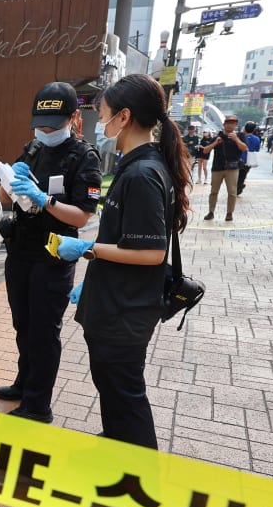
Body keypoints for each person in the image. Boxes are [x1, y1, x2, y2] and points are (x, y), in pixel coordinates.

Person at [54, 73, 191, 450]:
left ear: (125, 116)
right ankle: (117, 448)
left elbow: (151, 253)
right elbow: (127, 240)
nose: (101, 121)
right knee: (114, 392)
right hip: (115, 303)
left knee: (127, 398)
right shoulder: (137, 167)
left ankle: (139, 480)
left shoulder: (144, 173)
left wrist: (87, 250)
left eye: (104, 112)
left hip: (124, 312)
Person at [0, 82, 101, 423]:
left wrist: (46, 200)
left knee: (43, 331)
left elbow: (83, 215)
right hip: (21, 251)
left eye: (53, 124)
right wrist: (8, 182)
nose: (45, 130)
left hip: (53, 256)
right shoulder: (32, 148)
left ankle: (39, 404)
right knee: (22, 325)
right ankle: (25, 383)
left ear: (72, 118)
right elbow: (6, 197)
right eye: (40, 123)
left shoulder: (84, 157)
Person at [201, 114, 246, 222]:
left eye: (232, 123)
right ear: (224, 125)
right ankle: (211, 212)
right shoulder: (218, 137)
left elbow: (244, 148)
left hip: (232, 168)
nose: (230, 126)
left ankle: (229, 213)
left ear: (236, 125)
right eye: (228, 123)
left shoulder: (239, 136)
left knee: (232, 192)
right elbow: (205, 150)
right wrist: (215, 143)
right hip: (217, 168)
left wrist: (236, 140)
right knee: (214, 191)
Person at [237, 121, 261, 195]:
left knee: (236, 174)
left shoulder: (240, 137)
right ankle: (240, 186)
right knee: (243, 174)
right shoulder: (256, 139)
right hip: (249, 159)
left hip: (239, 157)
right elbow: (257, 149)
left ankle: (238, 187)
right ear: (253, 130)